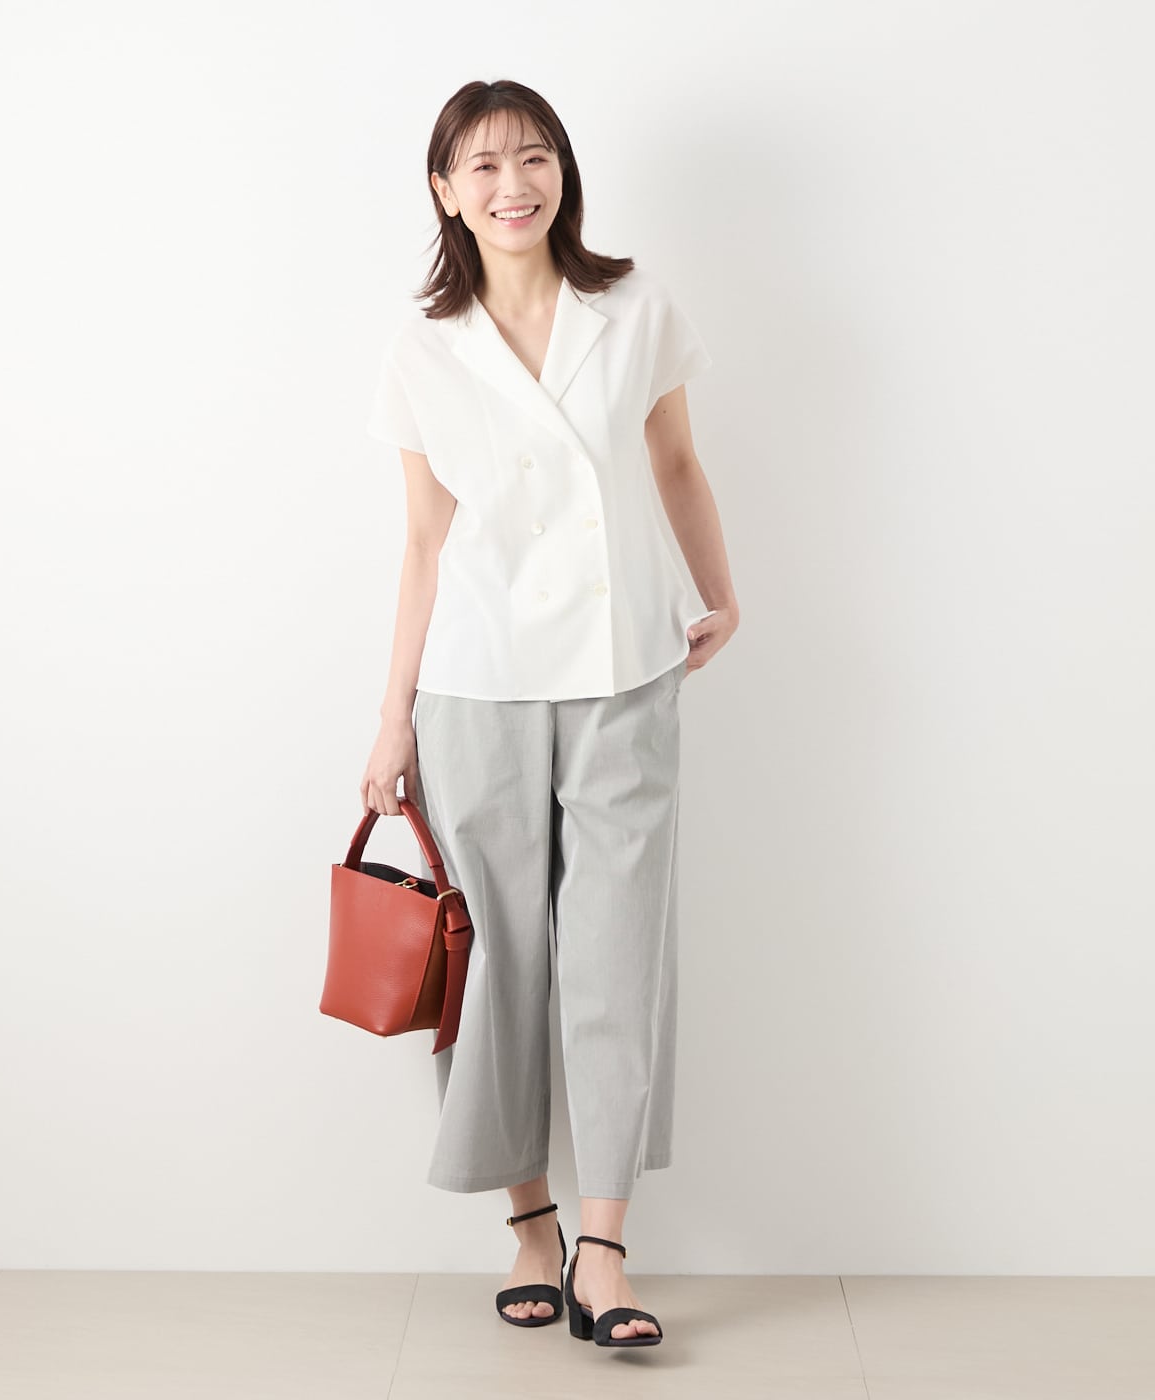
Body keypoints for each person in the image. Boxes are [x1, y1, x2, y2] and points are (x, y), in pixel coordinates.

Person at [360, 78, 738, 1348]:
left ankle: (606, 1248)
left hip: (626, 662)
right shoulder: (423, 348)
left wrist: (720, 591)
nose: (511, 184)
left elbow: (676, 461)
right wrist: (391, 717)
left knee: (620, 950)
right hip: (475, 679)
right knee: (496, 956)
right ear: (444, 191)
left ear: (562, 173)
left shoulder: (634, 309)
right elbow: (425, 541)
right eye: (481, 165)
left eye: (533, 158)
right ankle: (529, 1221)